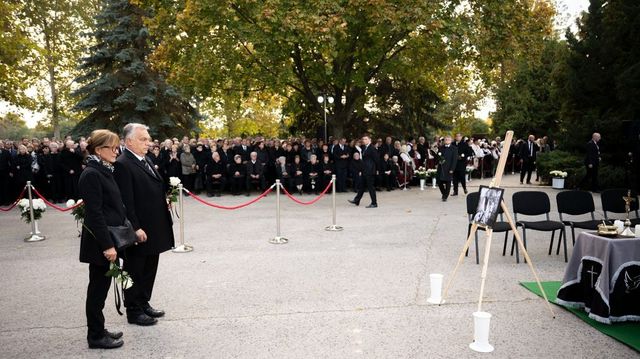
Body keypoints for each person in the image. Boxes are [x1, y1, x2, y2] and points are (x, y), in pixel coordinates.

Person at [114, 123, 174, 326]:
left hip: (154, 226)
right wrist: (135, 227)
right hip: (139, 229)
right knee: (134, 269)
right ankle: (133, 310)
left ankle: (144, 302)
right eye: (143, 139)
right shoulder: (123, 163)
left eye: (148, 139)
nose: (148, 143)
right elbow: (126, 202)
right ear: (129, 141)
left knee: (149, 267)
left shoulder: (144, 158)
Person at [78, 129, 126, 349]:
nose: (117, 152)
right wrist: (107, 245)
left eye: (118, 147)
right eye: (113, 147)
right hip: (101, 243)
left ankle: (99, 329)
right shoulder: (92, 174)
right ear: (99, 150)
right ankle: (95, 336)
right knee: (97, 290)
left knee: (102, 287)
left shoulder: (104, 169)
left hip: (109, 239)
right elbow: (95, 214)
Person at [349, 135, 378, 208]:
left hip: (370, 171)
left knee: (371, 187)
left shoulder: (372, 148)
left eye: (366, 139)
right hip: (365, 170)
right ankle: (357, 200)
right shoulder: (364, 147)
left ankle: (374, 203)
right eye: (363, 139)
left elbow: (377, 160)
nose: (364, 140)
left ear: (369, 140)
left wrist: (376, 170)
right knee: (362, 186)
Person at [436, 136, 458, 202]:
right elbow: (438, 156)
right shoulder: (441, 147)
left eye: (448, 139)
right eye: (446, 139)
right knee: (439, 181)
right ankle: (444, 193)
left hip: (449, 167)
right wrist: (438, 160)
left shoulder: (454, 148)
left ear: (451, 140)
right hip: (441, 167)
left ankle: (445, 196)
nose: (447, 140)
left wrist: (452, 169)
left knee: (448, 182)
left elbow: (454, 160)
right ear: (444, 140)